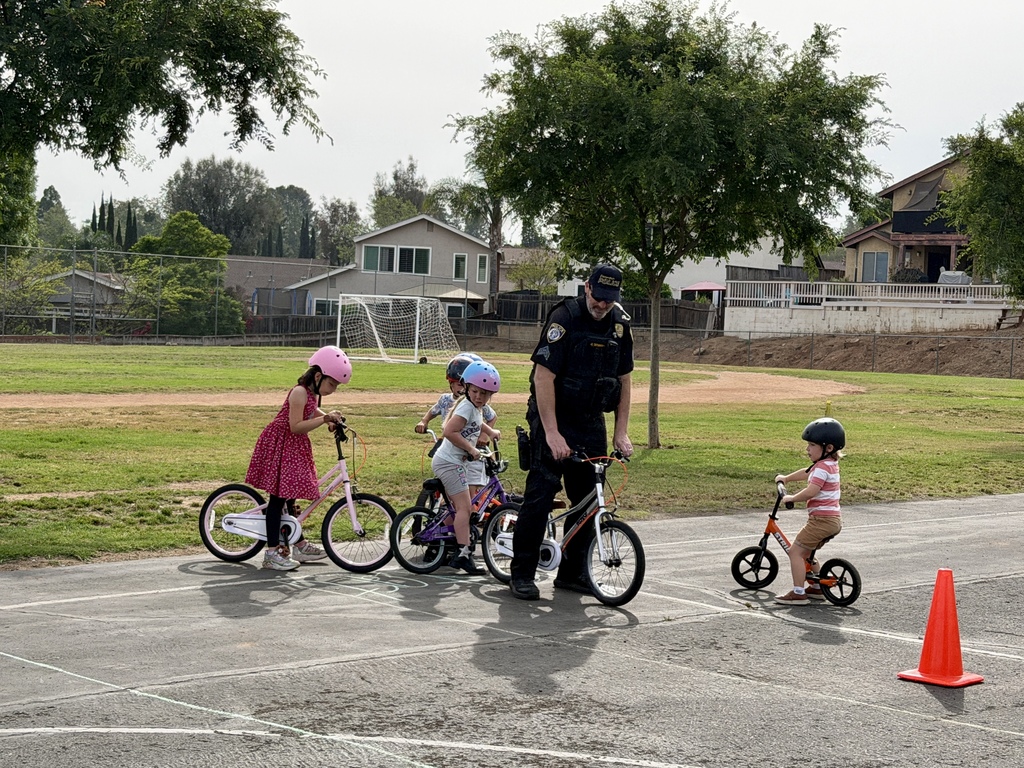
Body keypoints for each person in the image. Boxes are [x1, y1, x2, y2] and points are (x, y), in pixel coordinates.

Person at [509, 264, 635, 600]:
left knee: (588, 499)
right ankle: (522, 572)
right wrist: (551, 433)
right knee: (542, 493)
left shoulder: (620, 326)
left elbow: (624, 381)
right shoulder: (564, 318)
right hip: (552, 416)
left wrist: (621, 432)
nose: (602, 305)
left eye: (609, 300)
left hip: (591, 419)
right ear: (586, 287)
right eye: (598, 297)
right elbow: (543, 377)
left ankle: (573, 572)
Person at [245, 345, 350, 571]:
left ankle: (298, 544)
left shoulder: (311, 394)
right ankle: (271, 553)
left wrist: (330, 418)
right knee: (277, 499)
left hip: (294, 447)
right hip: (281, 444)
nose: (333, 389)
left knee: (290, 495)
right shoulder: (299, 392)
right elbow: (295, 426)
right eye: (332, 384)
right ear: (319, 376)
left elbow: (311, 411)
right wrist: (324, 420)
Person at [430, 359, 502, 575]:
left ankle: (445, 540)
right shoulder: (466, 407)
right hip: (449, 462)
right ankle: (463, 554)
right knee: (465, 508)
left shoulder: (474, 407)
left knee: (460, 507)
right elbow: (449, 433)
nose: (480, 397)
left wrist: (490, 432)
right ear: (468, 388)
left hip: (453, 463)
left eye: (485, 393)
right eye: (476, 391)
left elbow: (476, 423)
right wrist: (471, 450)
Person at [773, 417, 845, 605]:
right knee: (807, 553)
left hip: (821, 521)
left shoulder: (822, 468)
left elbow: (812, 491)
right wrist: (786, 478)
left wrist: (791, 498)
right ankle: (816, 587)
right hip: (832, 520)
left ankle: (798, 593)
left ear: (828, 448)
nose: (807, 449)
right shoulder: (827, 464)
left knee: (795, 552)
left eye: (812, 445)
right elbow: (806, 472)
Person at [414, 353, 498, 497]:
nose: (461, 389)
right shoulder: (447, 400)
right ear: (451, 384)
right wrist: (424, 421)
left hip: (469, 449)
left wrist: (485, 435)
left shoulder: (476, 403)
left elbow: (490, 417)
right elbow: (433, 412)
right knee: (457, 494)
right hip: (453, 446)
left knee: (468, 487)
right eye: (458, 384)